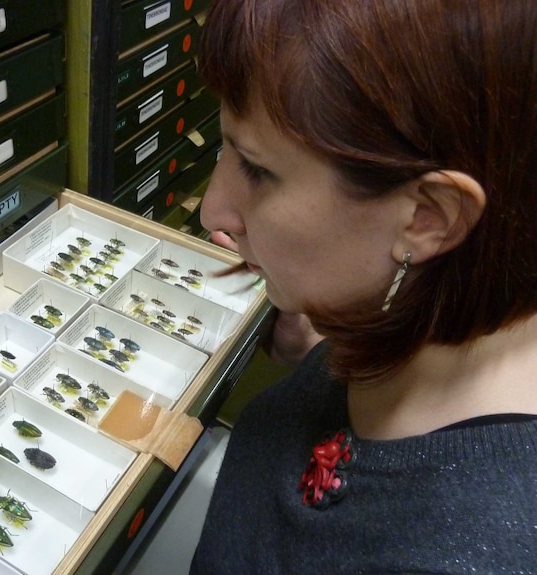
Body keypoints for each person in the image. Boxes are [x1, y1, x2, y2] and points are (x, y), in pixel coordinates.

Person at [190, 0, 537, 572]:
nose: (214, 212)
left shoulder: (468, 547)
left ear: (428, 217)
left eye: (256, 168)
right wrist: (325, 350)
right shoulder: (430, 325)